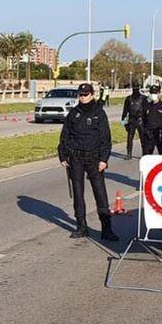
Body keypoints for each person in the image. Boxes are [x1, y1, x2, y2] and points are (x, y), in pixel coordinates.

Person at [58, 82, 118, 241]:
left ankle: (107, 229)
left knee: (100, 193)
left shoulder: (99, 113)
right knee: (78, 193)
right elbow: (65, 135)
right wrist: (63, 155)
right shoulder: (74, 113)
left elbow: (106, 138)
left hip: (94, 158)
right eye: (80, 95)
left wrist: (104, 159)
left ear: (92, 95)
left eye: (85, 95)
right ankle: (81, 227)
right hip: (76, 157)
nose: (82, 98)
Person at [141, 85, 162, 155]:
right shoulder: (146, 106)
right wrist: (145, 131)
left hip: (161, 134)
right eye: (152, 93)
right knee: (147, 156)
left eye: (155, 93)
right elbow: (143, 119)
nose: (153, 95)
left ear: (159, 94)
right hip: (149, 134)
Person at [120, 82, 147, 159]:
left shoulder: (144, 98)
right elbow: (125, 111)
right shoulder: (128, 99)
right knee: (129, 137)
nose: (135, 89)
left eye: (136, 87)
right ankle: (129, 154)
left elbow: (147, 109)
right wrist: (124, 122)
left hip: (140, 120)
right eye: (134, 87)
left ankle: (144, 154)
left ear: (139, 88)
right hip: (131, 120)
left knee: (143, 138)